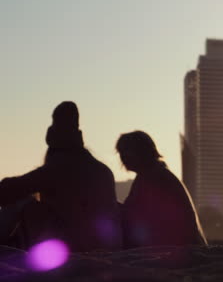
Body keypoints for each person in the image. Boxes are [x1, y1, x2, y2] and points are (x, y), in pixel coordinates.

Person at [0, 101, 122, 251]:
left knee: (21, 201)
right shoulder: (100, 168)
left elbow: (10, 190)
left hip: (75, 245)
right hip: (106, 244)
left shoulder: (60, 166)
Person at [116, 130, 207, 248]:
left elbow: (132, 216)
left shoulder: (152, 177)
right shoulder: (156, 174)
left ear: (140, 152)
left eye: (125, 152)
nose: (122, 158)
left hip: (180, 253)